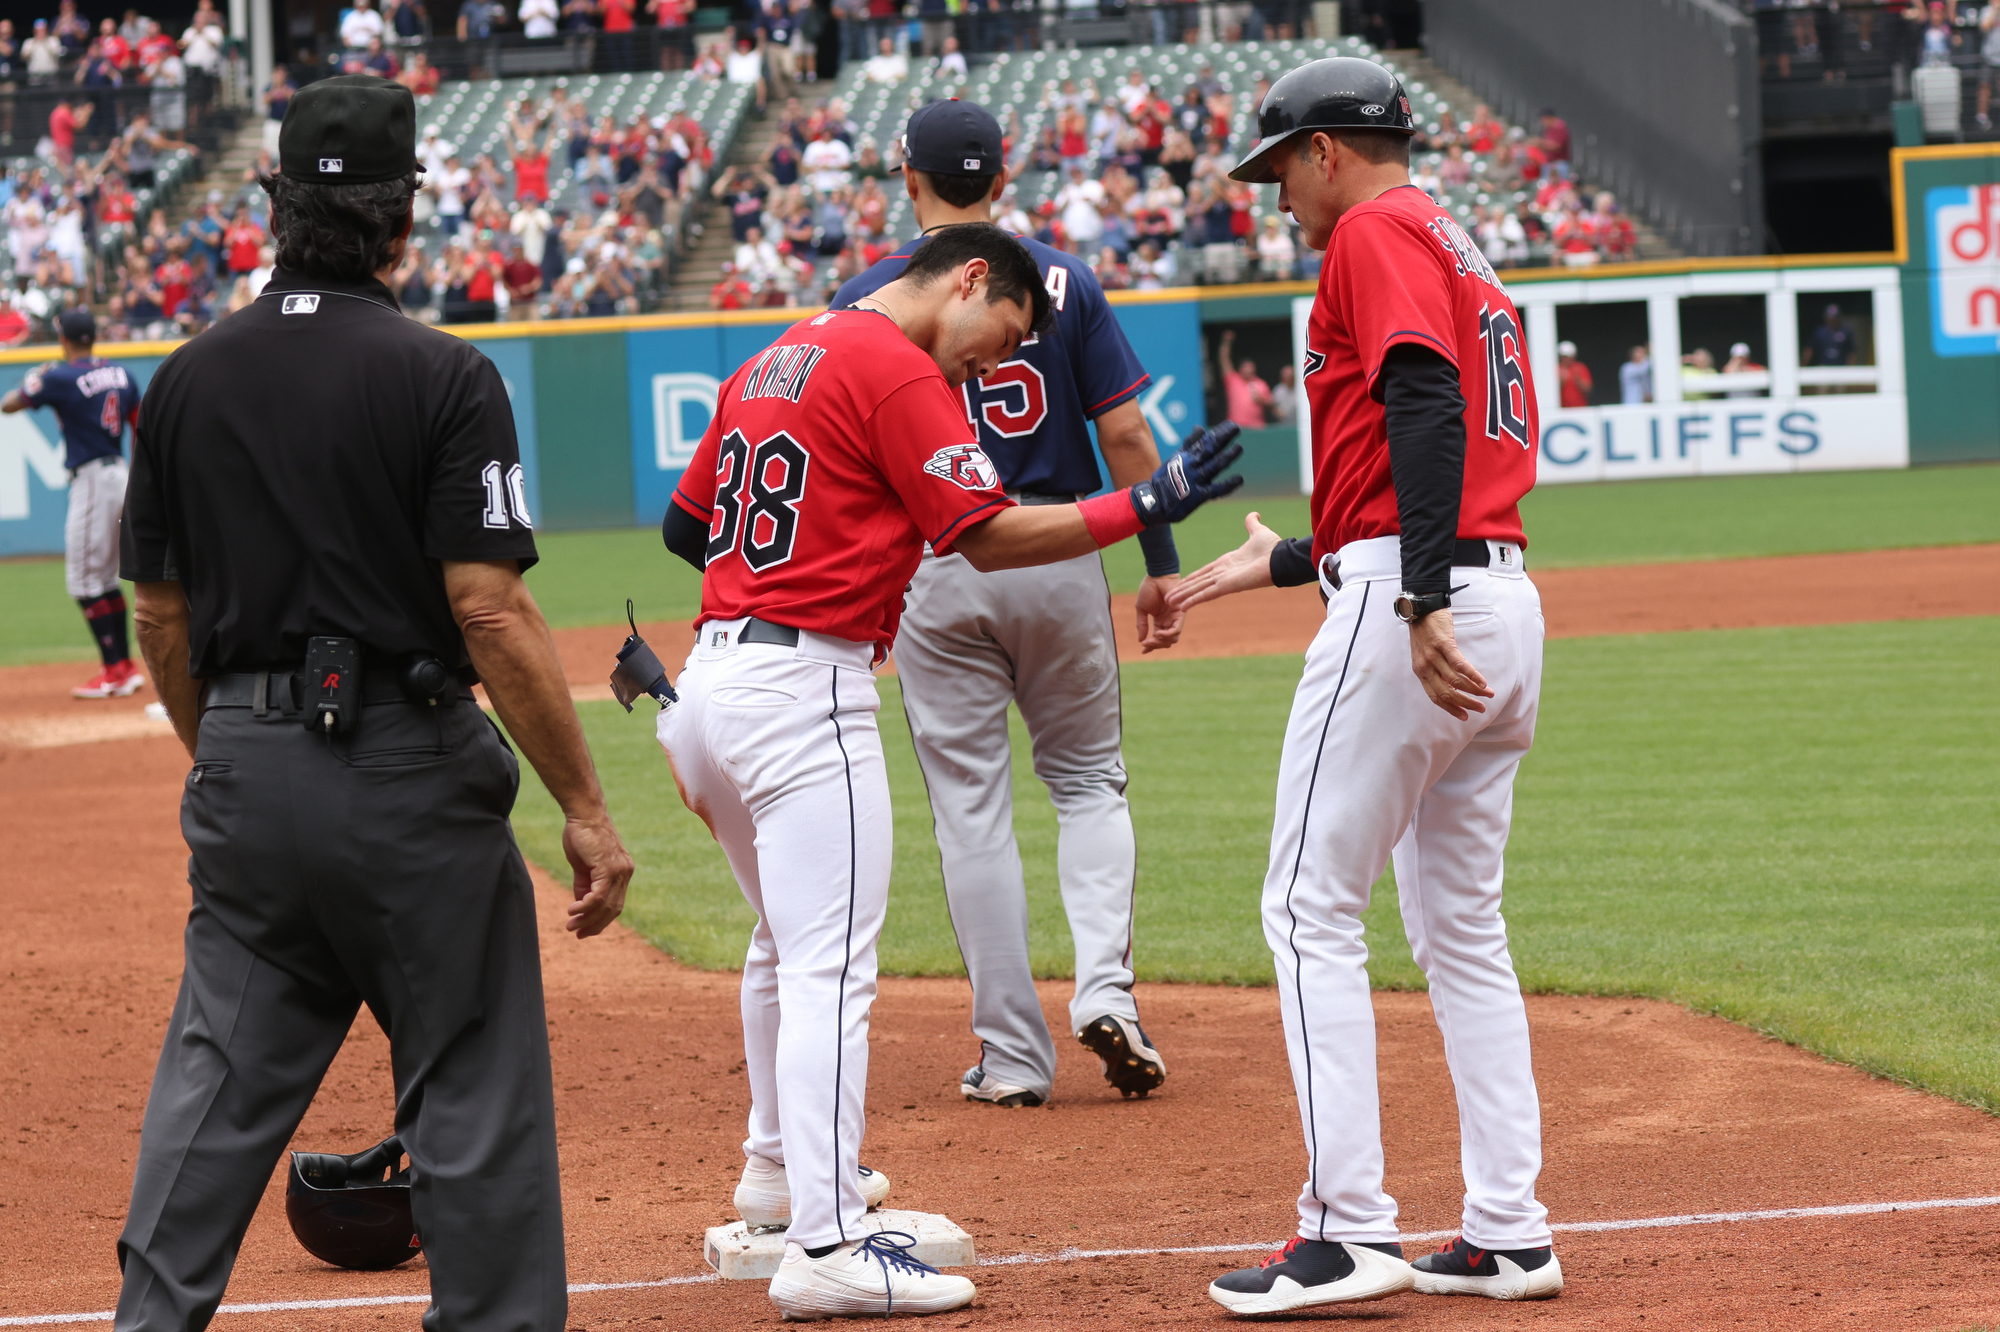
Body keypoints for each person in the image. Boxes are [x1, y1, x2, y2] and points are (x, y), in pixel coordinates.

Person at [111, 74, 634, 1332]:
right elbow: (491, 611)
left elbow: (159, 622)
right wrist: (583, 806)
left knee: (213, 1078)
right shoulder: (443, 374)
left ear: (271, 204)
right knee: (470, 1074)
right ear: (406, 218)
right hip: (405, 770)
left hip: (240, 763)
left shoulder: (182, 380)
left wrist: (228, 752)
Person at [659, 219, 1241, 1319]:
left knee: (783, 946)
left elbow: (688, 527)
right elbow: (984, 533)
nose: (987, 362)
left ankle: (778, 1180)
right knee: (830, 964)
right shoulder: (892, 363)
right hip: (802, 692)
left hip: (708, 686)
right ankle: (828, 1242)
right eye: (998, 332)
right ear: (970, 279)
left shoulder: (778, 351)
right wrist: (1147, 505)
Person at [1174, 56, 1563, 1313]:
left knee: (1303, 904)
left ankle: (1344, 1230)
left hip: (1426, 602)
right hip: (1502, 602)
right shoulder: (1456, 240)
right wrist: (1279, 562)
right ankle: (1508, 1232)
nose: (1275, 192)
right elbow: (1414, 443)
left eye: (1280, 164)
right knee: (1459, 931)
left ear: (1328, 149)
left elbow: (1422, 401)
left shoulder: (1372, 230)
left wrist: (1416, 594)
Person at [831, 99, 1191, 1111]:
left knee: (969, 812)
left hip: (937, 560)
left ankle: (1012, 1057)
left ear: (908, 177)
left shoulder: (871, 296)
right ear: (1003, 177)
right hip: (1063, 543)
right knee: (1086, 783)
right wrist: (1156, 559)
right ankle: (1105, 988)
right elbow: (1124, 436)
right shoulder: (1063, 280)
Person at [1, 309, 145, 699]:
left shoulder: (60, 376)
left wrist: (34, 378)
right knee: (104, 579)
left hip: (92, 479)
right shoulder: (122, 373)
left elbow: (9, 404)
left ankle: (115, 670)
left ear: (63, 338)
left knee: (83, 581)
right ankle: (124, 668)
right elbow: (138, 423)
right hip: (120, 472)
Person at [1218, 328, 1272, 427]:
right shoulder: (1233, 380)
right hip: (1235, 426)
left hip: (1257, 427)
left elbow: (1271, 404)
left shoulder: (1261, 383)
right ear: (1240, 369)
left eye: (1251, 368)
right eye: (1246, 367)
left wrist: (1262, 400)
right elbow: (1224, 360)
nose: (1249, 370)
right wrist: (1226, 342)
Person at [1556, 339, 1592, 408]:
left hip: (1580, 408)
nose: (1566, 359)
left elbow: (1588, 390)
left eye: (1568, 356)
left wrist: (1578, 381)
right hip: (1561, 409)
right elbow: (1549, 392)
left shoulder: (1580, 368)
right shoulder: (1556, 369)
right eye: (1564, 356)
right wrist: (1561, 382)